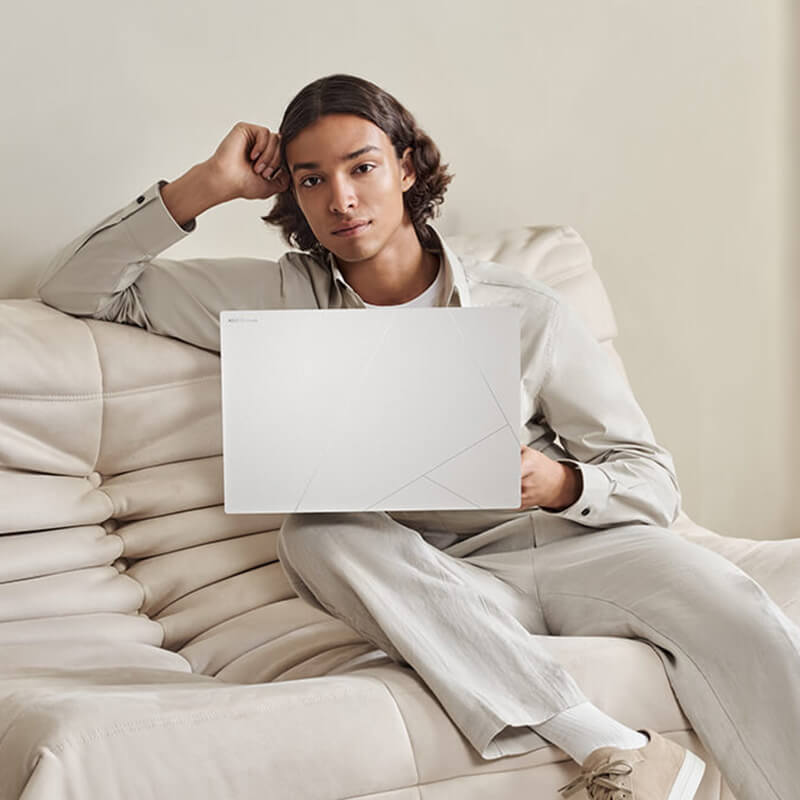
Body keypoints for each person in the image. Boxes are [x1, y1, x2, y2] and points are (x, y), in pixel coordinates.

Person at [37, 73, 800, 800]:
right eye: (311, 179)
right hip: (433, 582)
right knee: (317, 533)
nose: (340, 198)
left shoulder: (522, 307)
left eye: (361, 167)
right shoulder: (277, 297)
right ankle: (612, 747)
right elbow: (79, 287)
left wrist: (561, 482)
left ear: (405, 167)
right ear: (292, 195)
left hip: (571, 547)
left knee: (733, 609)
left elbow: (649, 479)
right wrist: (207, 182)